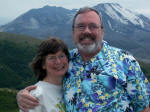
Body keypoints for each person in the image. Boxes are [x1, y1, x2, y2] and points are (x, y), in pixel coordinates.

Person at [17, 7, 150, 112]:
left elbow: (144, 107)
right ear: (73, 32)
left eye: (93, 26)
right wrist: (24, 95)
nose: (87, 31)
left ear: (102, 31)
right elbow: (49, 84)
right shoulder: (66, 60)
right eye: (81, 26)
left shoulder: (125, 61)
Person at [19, 38, 69, 112]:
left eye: (62, 56)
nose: (58, 62)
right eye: (52, 58)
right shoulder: (36, 95)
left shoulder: (71, 87)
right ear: (43, 64)